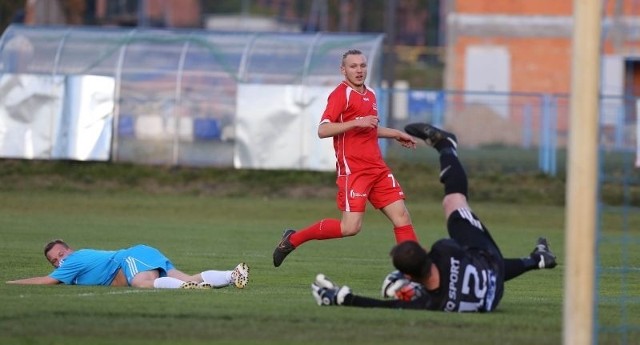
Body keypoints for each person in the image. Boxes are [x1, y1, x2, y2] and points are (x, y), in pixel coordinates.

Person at [310, 123, 558, 312]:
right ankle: (446, 147)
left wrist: (343, 298)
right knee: (454, 202)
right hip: (486, 259)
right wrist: (409, 282)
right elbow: (449, 266)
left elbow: (388, 308)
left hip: (492, 295)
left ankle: (538, 260)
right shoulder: (444, 252)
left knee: (483, 267)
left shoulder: (433, 303)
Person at [272, 49, 419, 267]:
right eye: (353, 66)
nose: (359, 70)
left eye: (362, 66)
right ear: (343, 70)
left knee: (402, 218)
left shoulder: (370, 93)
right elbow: (323, 130)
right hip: (355, 171)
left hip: (378, 169)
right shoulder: (340, 94)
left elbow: (369, 128)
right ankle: (292, 239)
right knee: (350, 228)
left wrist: (395, 133)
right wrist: (355, 122)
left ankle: (415, 273)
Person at [6, 239, 250, 289]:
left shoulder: (75, 259)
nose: (60, 260)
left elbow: (46, 281)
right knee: (189, 277)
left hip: (132, 256)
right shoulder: (71, 270)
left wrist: (10, 282)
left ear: (69, 249)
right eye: (55, 260)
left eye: (61, 253)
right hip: (141, 254)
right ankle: (232, 275)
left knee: (142, 283)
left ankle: (191, 290)